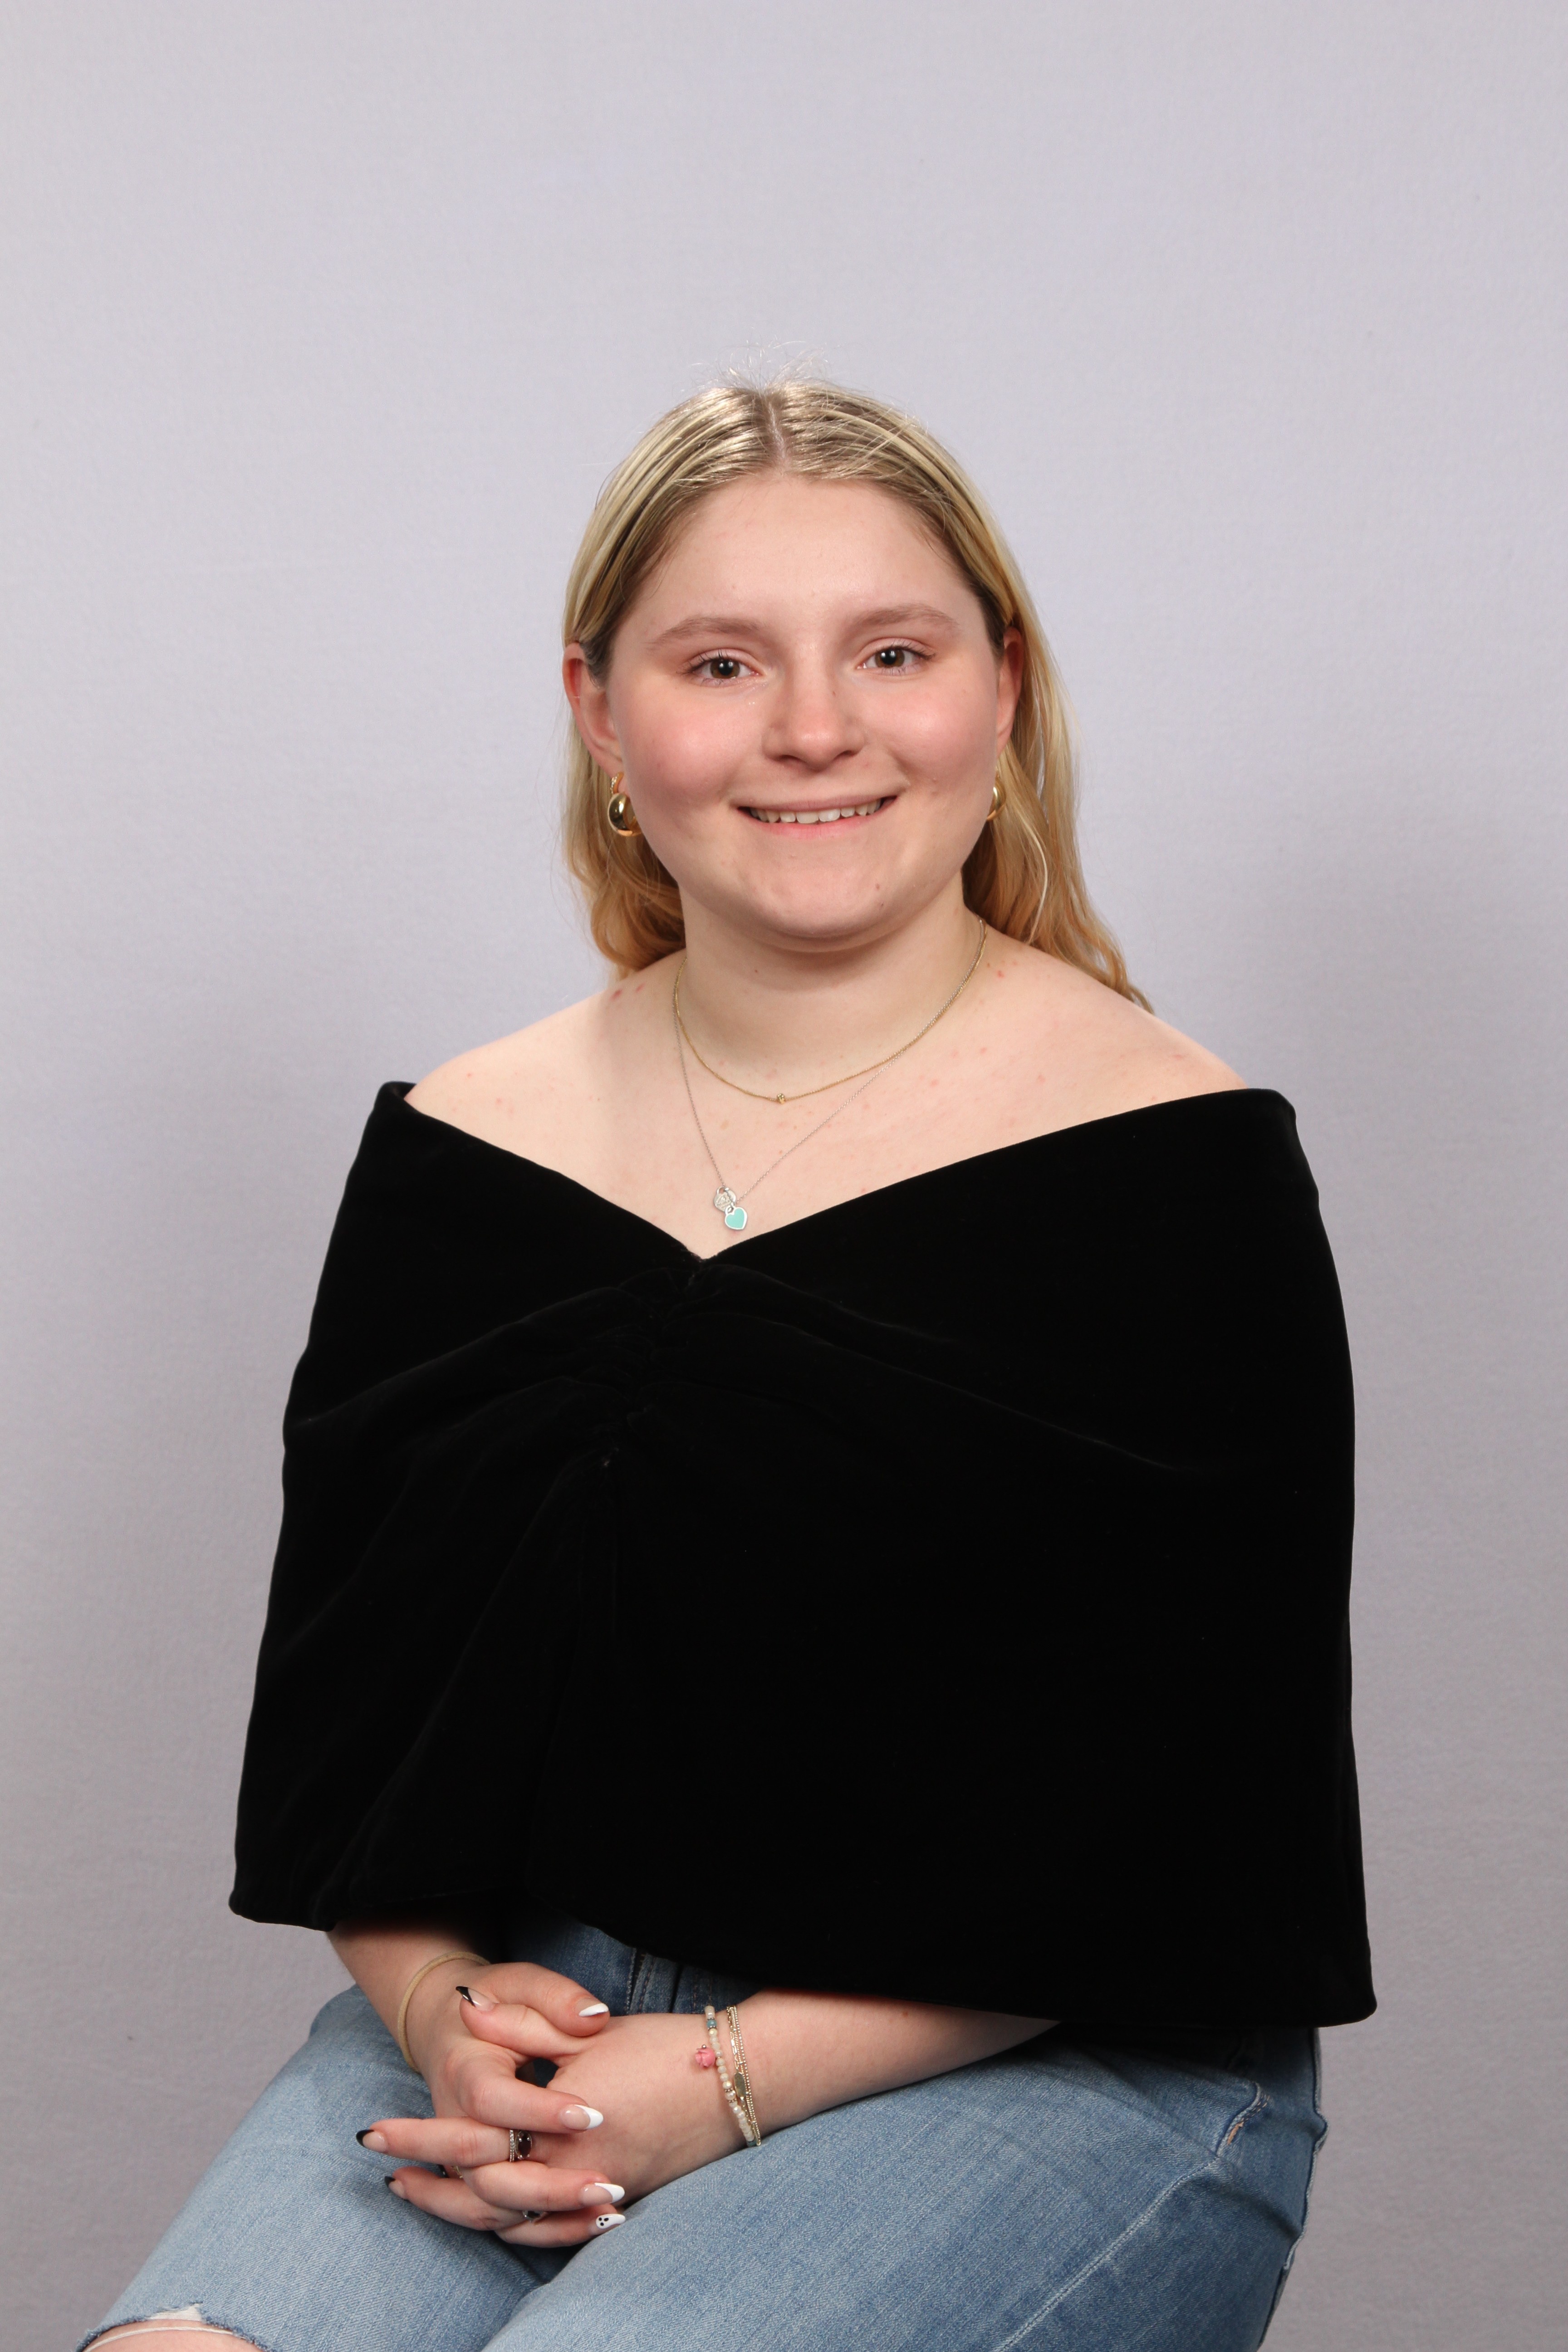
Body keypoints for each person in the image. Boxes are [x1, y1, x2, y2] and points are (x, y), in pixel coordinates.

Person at [84, 379, 1373, 2352]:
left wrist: (734, 2076)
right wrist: (441, 2003)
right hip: (545, 2014)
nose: (814, 727)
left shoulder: (1174, 1164)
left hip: (1054, 2052)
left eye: (892, 652)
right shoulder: (461, 1147)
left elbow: (1196, 1831)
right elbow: (364, 1755)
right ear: (603, 717)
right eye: (721, 662)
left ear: (1004, 690)